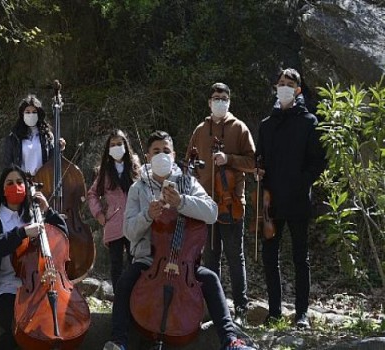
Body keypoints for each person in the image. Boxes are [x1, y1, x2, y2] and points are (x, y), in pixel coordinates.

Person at [104, 131, 254, 350]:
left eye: (166, 151)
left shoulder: (187, 182)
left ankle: (231, 340)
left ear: (174, 155)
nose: (161, 155)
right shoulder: (138, 188)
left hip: (185, 263)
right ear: (147, 156)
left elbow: (212, 212)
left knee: (211, 279)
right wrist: (147, 215)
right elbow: (128, 231)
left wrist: (182, 201)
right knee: (126, 279)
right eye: (156, 151)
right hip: (149, 260)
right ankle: (119, 341)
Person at [257, 68, 325, 329]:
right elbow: (259, 158)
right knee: (269, 257)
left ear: (298, 90)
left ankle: (302, 315)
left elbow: (317, 162)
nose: (284, 86)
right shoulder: (266, 124)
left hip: (297, 200)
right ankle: (274, 312)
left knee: (300, 258)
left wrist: (300, 183)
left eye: (290, 83)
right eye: (281, 83)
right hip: (271, 202)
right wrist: (258, 169)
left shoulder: (309, 122)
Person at [186, 82, 256, 324]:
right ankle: (212, 309)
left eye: (223, 97)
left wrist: (229, 159)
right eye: (216, 97)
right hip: (204, 205)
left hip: (231, 203)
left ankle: (242, 309)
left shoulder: (239, 128)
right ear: (209, 102)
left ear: (229, 101)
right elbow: (189, 165)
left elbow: (252, 162)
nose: (219, 101)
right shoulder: (200, 130)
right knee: (210, 258)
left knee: (235, 257)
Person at [0, 166, 68, 350]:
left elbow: (63, 235)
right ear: (3, 190)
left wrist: (48, 210)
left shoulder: (34, 214)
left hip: (38, 287)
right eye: (10, 183)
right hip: (5, 289)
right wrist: (22, 232)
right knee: (25, 332)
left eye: (20, 182)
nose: (16, 186)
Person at [87, 129, 140, 292]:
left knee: (135, 262)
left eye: (119, 144)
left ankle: (135, 299)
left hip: (134, 221)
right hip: (114, 223)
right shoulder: (105, 171)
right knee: (116, 265)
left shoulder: (135, 166)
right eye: (113, 145)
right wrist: (99, 214)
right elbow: (92, 194)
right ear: (108, 149)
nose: (116, 147)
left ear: (126, 145)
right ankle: (119, 299)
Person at [1, 94, 65, 175]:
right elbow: (8, 164)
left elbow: (54, 161)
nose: (31, 115)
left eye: (34, 112)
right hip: (23, 183)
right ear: (22, 114)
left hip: (43, 181)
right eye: (27, 112)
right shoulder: (14, 137)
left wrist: (60, 148)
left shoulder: (47, 136)